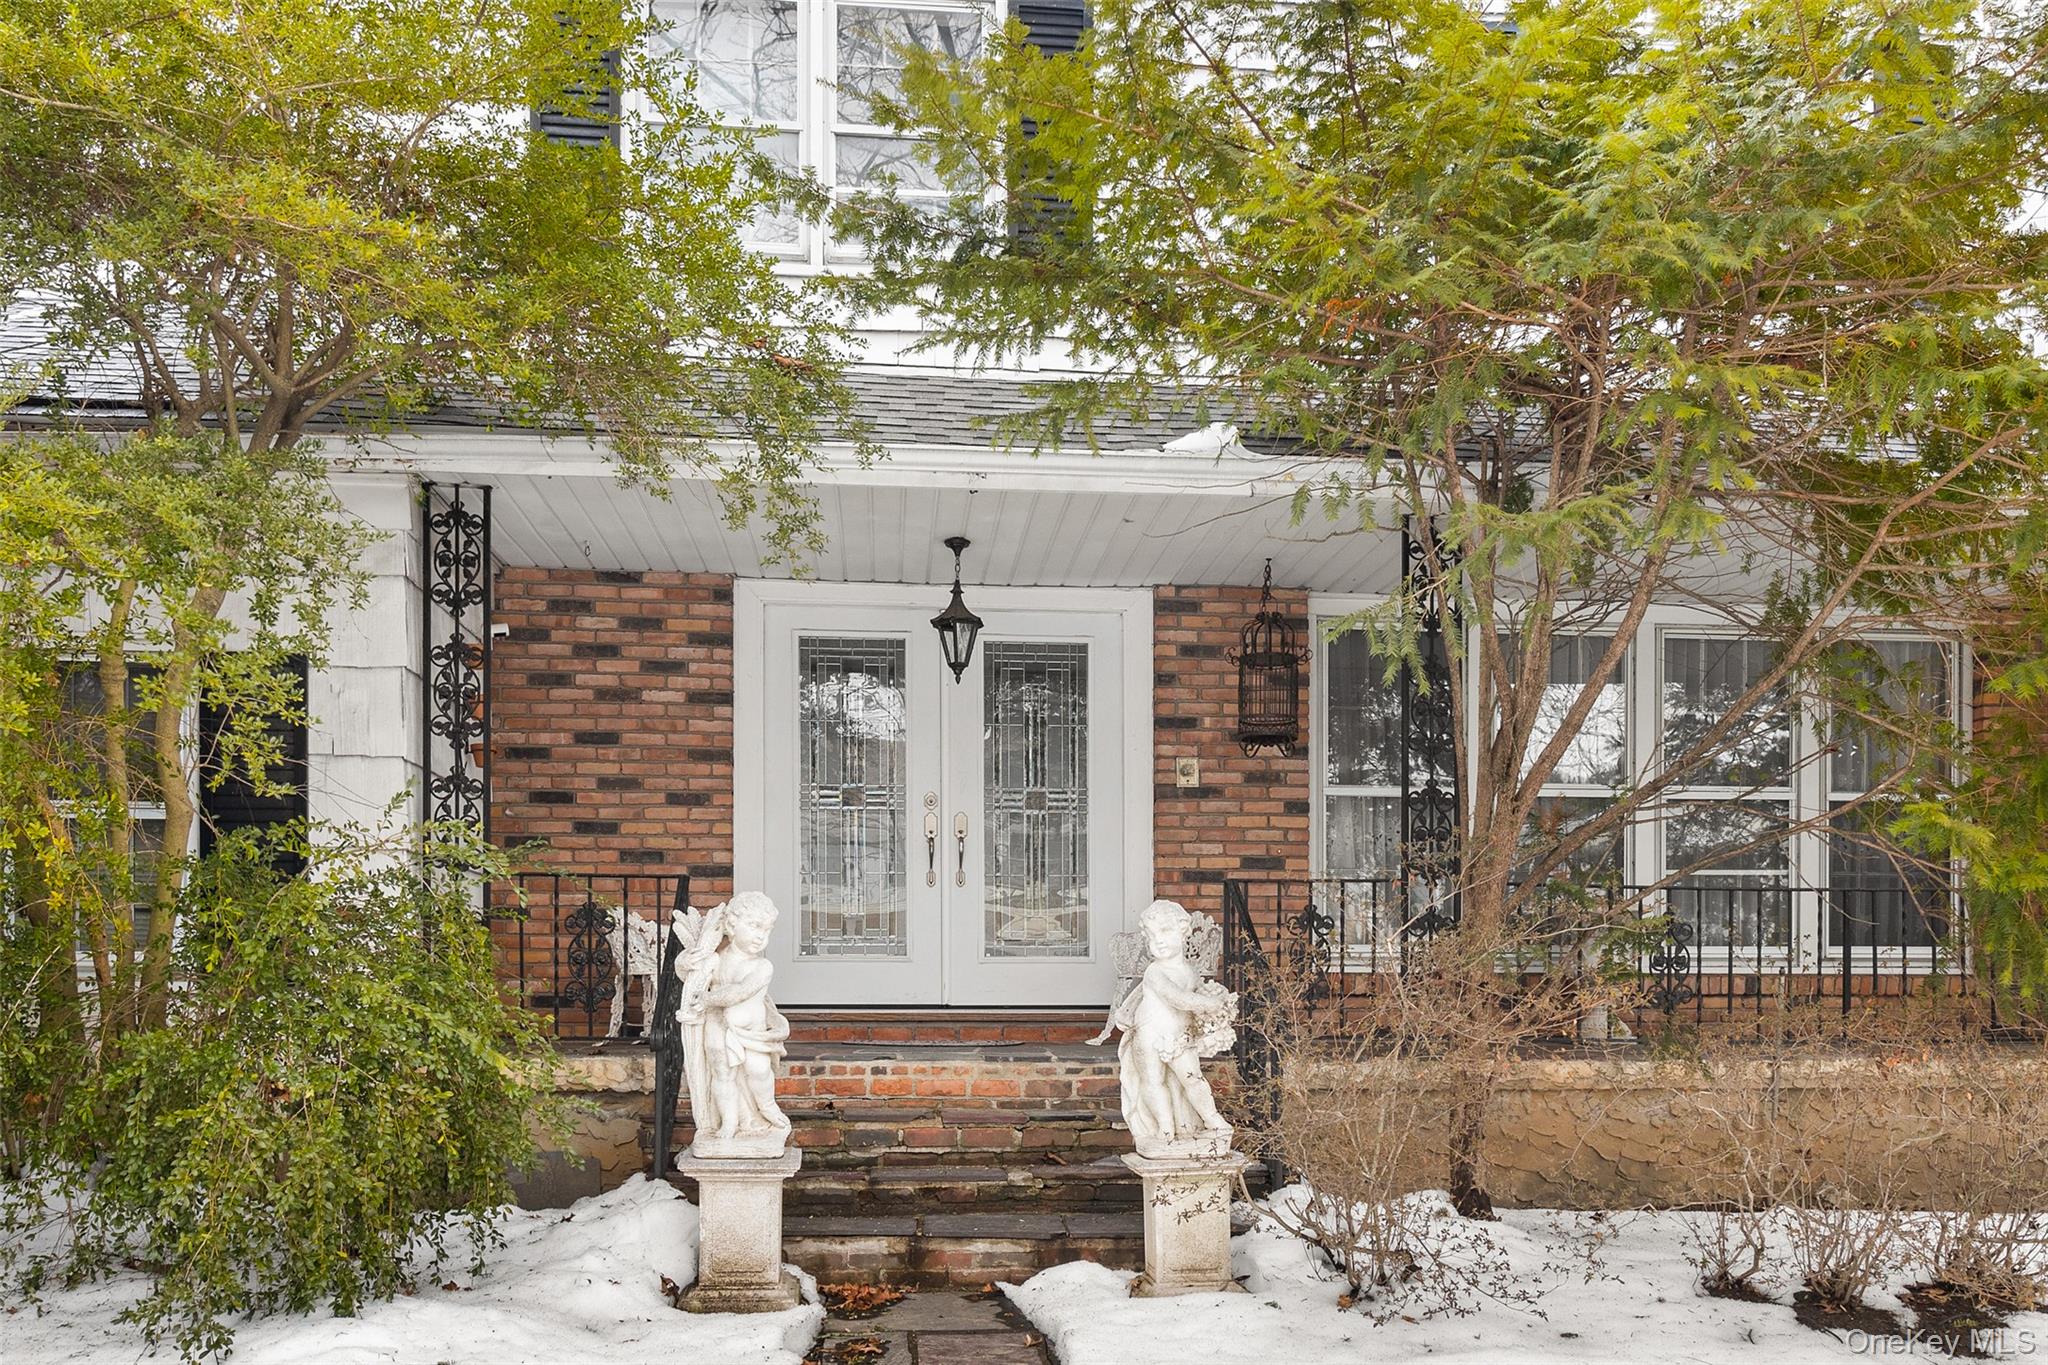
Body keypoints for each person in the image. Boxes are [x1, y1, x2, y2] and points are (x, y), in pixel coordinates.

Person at [1113, 899, 1236, 1156]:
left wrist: (1216, 1003)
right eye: (1152, 935)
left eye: (1165, 931)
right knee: (1153, 1081)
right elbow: (1180, 999)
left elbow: (1193, 996)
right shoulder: (1155, 972)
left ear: (1183, 931)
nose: (1158, 940)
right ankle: (1165, 1127)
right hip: (1149, 1035)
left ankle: (1211, 1118)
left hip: (1179, 1036)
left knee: (1193, 1079)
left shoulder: (1190, 971)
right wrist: (1210, 1003)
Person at [677, 891, 792, 1153]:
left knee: (759, 1071)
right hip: (718, 1027)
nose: (761, 935)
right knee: (722, 1074)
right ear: (731, 926)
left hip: (752, 1034)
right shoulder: (716, 960)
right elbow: (689, 976)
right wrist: (684, 961)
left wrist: (706, 998)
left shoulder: (763, 966)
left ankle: (766, 1108)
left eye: (767, 929)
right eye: (754, 926)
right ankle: (728, 1122)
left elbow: (737, 992)